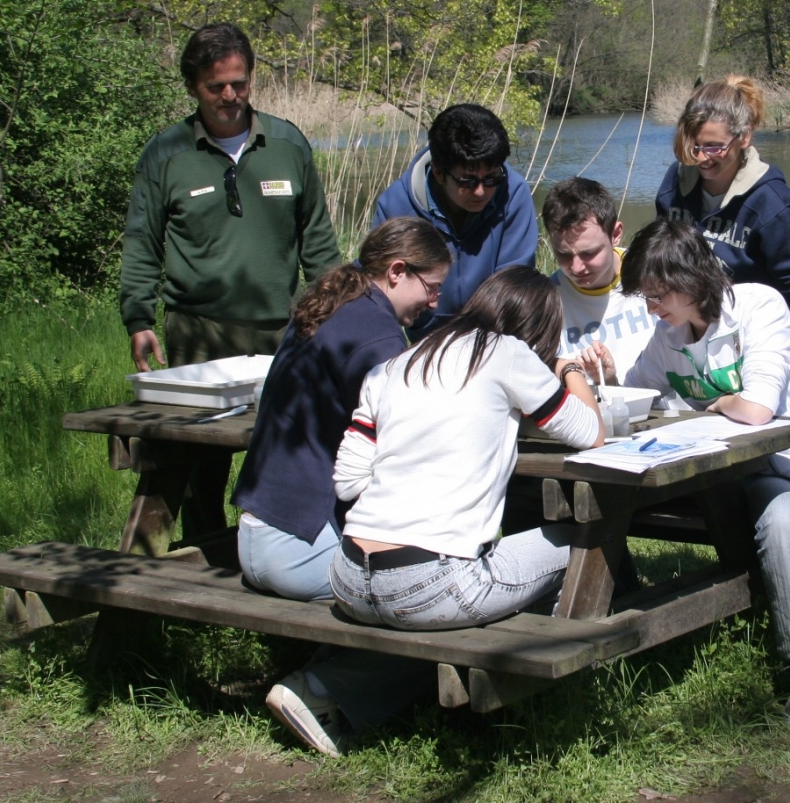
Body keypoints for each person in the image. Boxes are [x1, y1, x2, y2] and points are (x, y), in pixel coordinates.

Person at [620, 218, 790, 768]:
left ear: (691, 278)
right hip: (772, 468)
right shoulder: (669, 336)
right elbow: (637, 395)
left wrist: (717, 403)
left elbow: (758, 406)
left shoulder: (758, 305)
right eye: (645, 297)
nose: (650, 307)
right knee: (780, 526)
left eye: (657, 294)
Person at [230, 219, 451, 758]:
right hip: (301, 546)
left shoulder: (334, 302)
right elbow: (411, 441)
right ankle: (324, 692)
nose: (434, 301)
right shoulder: (375, 336)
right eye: (432, 288)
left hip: (258, 531)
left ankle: (329, 672)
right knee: (438, 599)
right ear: (398, 271)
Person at [118, 22, 341, 533]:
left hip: (284, 330)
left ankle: (291, 550)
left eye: (240, 83)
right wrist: (137, 317)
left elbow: (319, 241)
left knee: (298, 448)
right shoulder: (166, 154)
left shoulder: (287, 143)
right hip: (199, 331)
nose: (230, 96)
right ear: (192, 86)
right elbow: (142, 243)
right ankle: (203, 554)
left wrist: (335, 313)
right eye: (216, 86)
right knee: (199, 463)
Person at [328, 266, 605, 633]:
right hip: (435, 581)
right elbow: (591, 432)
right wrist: (569, 368)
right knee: (584, 542)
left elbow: (347, 483)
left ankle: (316, 684)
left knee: (406, 620)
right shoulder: (507, 352)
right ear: (539, 329)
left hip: (347, 576)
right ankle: (563, 662)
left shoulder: (395, 365)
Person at [655, 75, 790, 326]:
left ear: (745, 137)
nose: (701, 158)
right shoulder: (674, 183)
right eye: (694, 146)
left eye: (713, 146)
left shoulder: (776, 206)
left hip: (752, 330)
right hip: (685, 327)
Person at [373, 104, 538, 337]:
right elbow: (381, 293)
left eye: (491, 179)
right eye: (467, 181)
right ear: (439, 173)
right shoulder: (395, 205)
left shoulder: (514, 193)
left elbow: (514, 283)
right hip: (425, 340)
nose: (480, 191)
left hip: (494, 338)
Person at [541, 177, 657, 385]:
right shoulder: (544, 300)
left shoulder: (654, 276)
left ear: (616, 234)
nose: (577, 267)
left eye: (589, 253)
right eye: (564, 254)